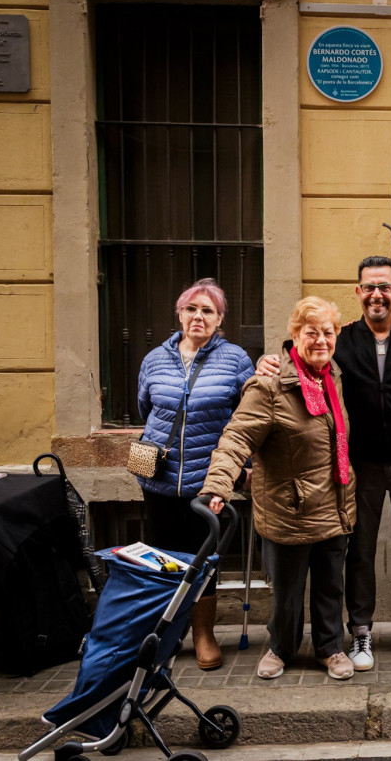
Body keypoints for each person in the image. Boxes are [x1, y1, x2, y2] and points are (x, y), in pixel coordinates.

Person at [255, 257, 391, 672]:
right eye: (369, 287)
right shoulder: (341, 340)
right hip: (360, 464)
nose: (377, 294)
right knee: (360, 551)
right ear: (358, 292)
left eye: (386, 287)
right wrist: (269, 361)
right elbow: (303, 364)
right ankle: (360, 632)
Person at [199, 296, 358, 681]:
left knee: (330, 587)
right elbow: (236, 438)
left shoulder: (332, 376)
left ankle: (330, 648)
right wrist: (218, 483)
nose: (321, 340)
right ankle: (280, 648)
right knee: (286, 593)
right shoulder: (269, 386)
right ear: (294, 335)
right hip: (289, 508)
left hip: (334, 502)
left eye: (328, 332)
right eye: (311, 332)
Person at [134, 277, 254, 671]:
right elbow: (145, 409)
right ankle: (167, 635)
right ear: (179, 314)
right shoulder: (154, 359)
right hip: (159, 480)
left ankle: (203, 634)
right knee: (165, 559)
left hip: (208, 481)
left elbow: (247, 418)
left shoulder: (235, 359)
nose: (198, 317)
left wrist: (243, 469)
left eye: (207, 311)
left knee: (204, 561)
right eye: (191, 309)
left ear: (220, 319)